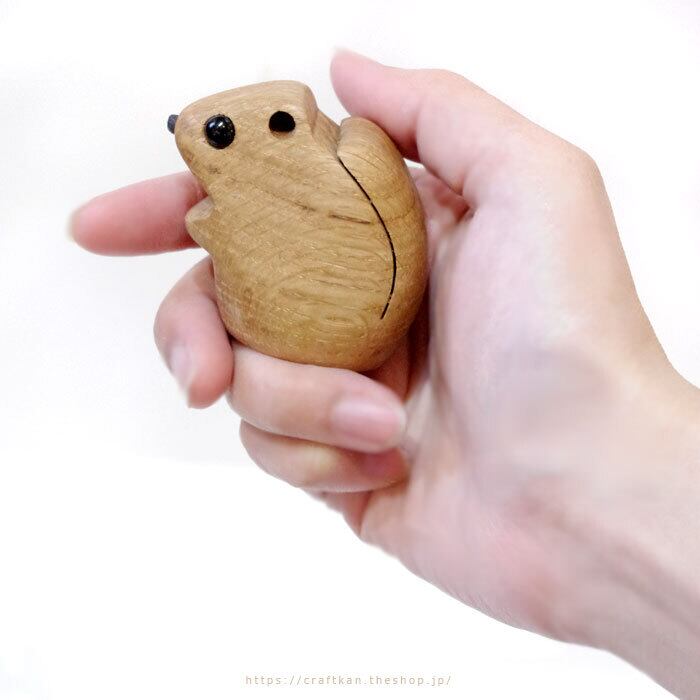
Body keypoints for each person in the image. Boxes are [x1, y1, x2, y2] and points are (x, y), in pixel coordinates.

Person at [70, 51, 700, 698]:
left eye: (220, 134)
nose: (191, 136)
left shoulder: (336, 171)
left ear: (284, 127)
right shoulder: (285, 179)